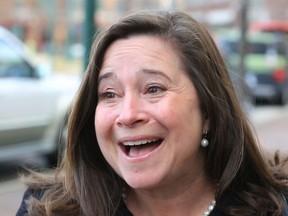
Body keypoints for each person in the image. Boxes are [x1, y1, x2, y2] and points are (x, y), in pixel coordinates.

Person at [16, 9, 288, 216]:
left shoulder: (277, 206)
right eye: (110, 94)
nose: (128, 114)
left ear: (208, 111)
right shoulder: (45, 208)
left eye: (153, 89)